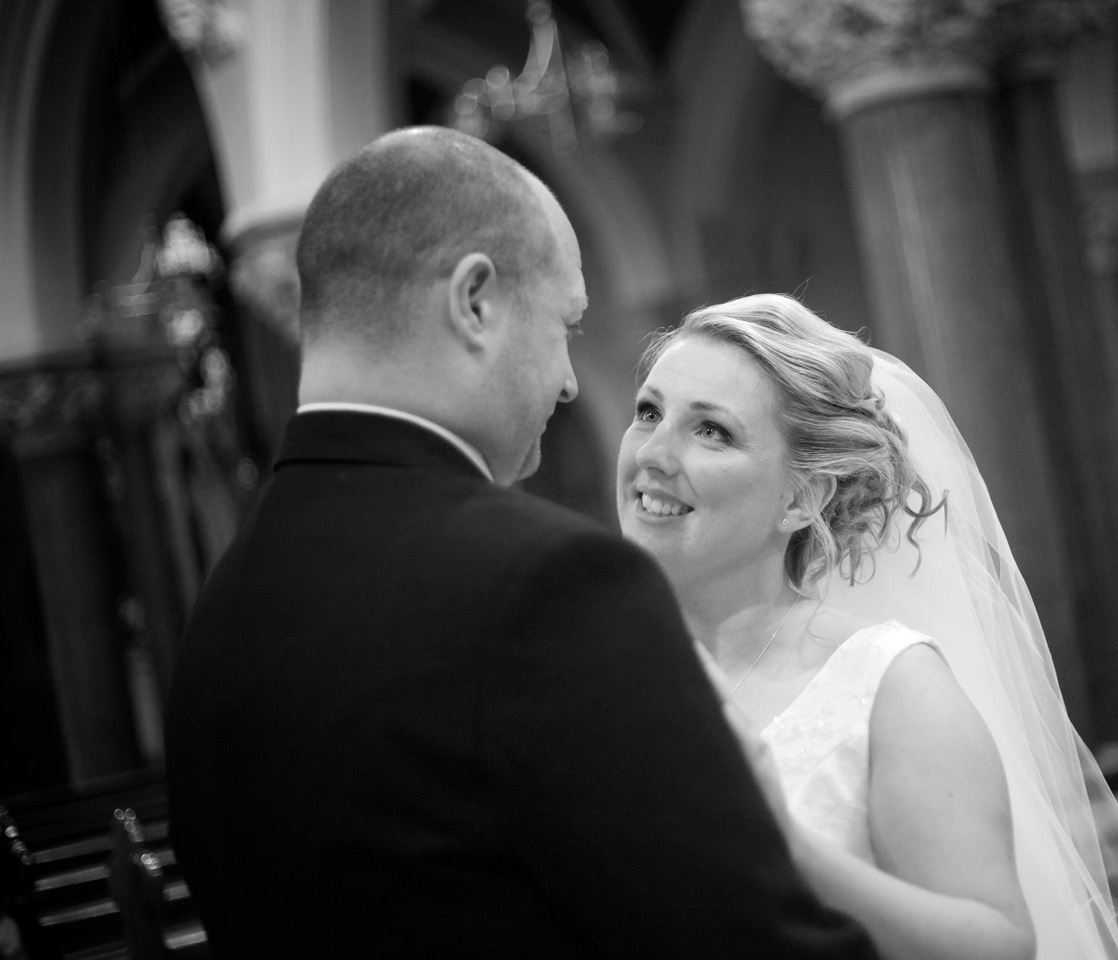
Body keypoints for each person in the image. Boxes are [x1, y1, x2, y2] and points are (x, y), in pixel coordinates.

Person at [163, 129, 880, 960]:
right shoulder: (548, 585)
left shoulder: (226, 603)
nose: (571, 382)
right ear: (475, 302)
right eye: (565, 324)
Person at [616, 293, 1118, 960]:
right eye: (649, 412)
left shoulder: (891, 686)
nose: (652, 453)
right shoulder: (604, 668)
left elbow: (998, 947)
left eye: (712, 431)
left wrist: (791, 849)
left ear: (802, 498)